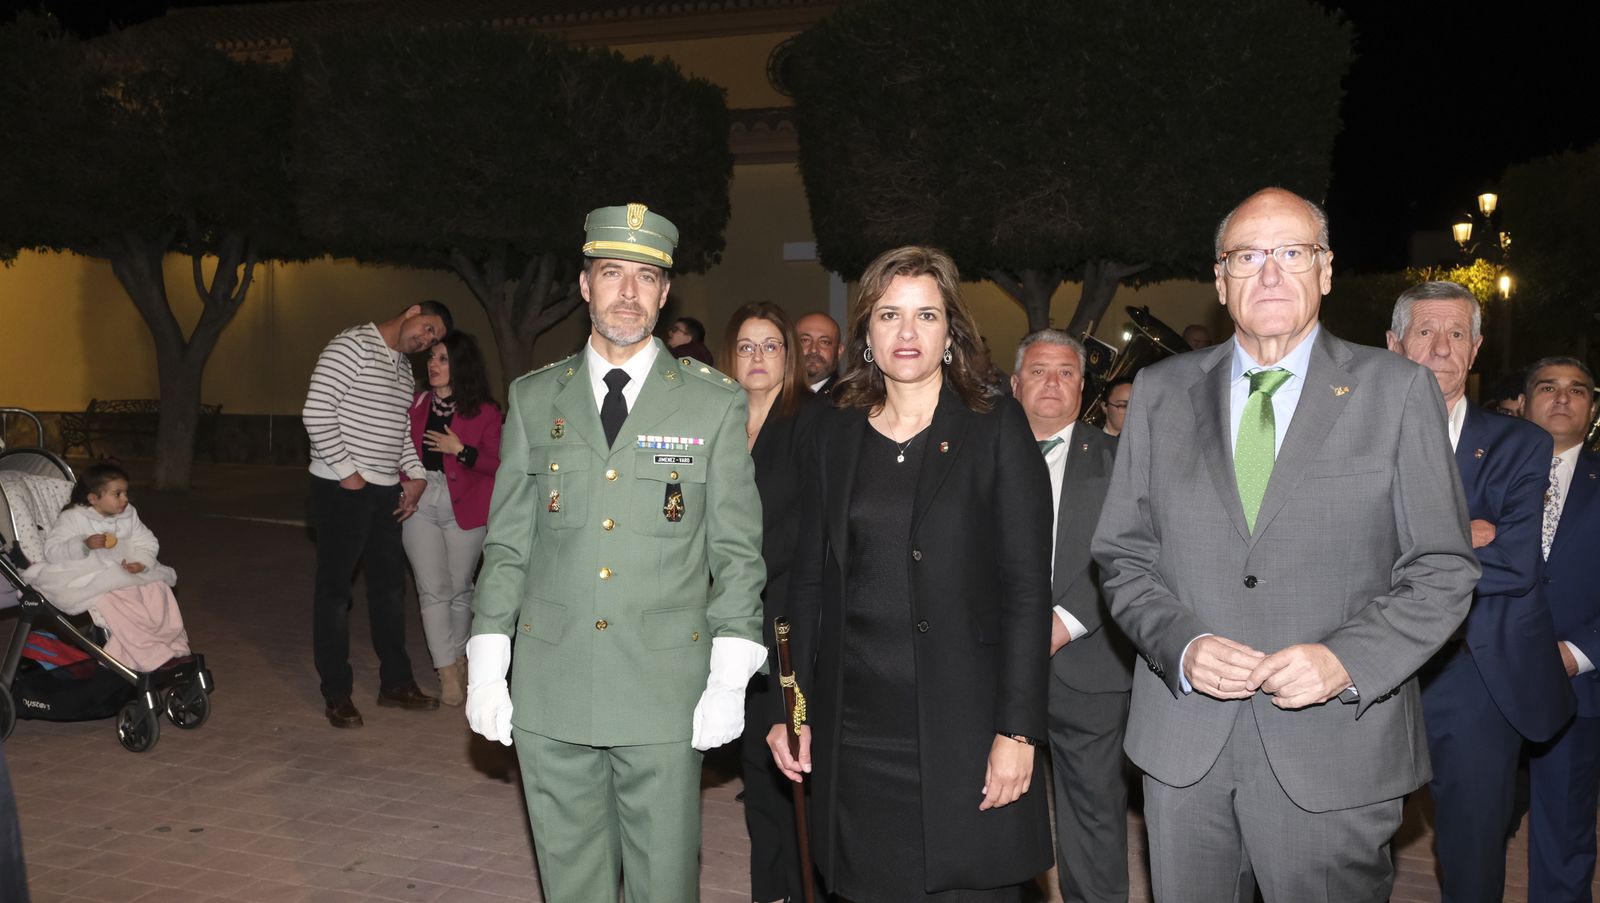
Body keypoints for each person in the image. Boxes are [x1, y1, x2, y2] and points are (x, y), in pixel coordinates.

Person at [1091, 187, 1479, 902]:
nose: (1269, 272)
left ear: (1325, 270)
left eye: (1291, 252)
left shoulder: (1395, 392)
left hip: (1333, 750)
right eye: (1247, 255)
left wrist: (1346, 660)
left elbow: (1443, 568)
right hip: (1185, 752)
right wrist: (1180, 643)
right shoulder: (1159, 392)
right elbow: (1122, 555)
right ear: (1220, 279)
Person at [465, 203, 766, 903]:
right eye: (611, 274)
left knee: (665, 883)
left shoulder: (712, 404)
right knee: (570, 884)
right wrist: (487, 659)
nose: (627, 293)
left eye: (644, 277)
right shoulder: (536, 397)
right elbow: (508, 541)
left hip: (665, 687)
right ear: (583, 284)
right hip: (553, 682)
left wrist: (729, 672)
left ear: (665, 294)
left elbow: (738, 550)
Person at [770, 245, 1053, 901]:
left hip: (967, 730)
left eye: (926, 315)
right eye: (890, 315)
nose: (907, 333)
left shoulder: (994, 426)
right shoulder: (831, 433)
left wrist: (1018, 730)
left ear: (950, 331)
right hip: (857, 735)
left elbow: (1026, 591)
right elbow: (806, 581)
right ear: (865, 331)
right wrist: (795, 707)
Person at [1385, 282, 1573, 901]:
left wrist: (1394, 546)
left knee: (1471, 857)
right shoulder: (1350, 436)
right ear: (1394, 344)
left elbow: (1517, 567)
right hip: (1367, 668)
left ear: (1477, 348)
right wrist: (1460, 536)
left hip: (1477, 679)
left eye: (1457, 334)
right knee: (1353, 846)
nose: (1441, 348)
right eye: (1424, 333)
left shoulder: (1523, 443)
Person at [1011, 330, 1132, 903]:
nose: (1052, 382)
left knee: (1094, 816)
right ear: (1015, 384)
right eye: (1038, 371)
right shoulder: (973, 454)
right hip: (996, 670)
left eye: (1065, 372)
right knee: (1001, 810)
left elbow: (1130, 556)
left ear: (1083, 387)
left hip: (1088, 667)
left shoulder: (1118, 460)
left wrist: (1064, 621)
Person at [303, 300, 451, 728]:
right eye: (426, 328)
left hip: (384, 491)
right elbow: (316, 411)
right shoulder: (351, 346)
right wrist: (348, 473)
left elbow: (400, 431)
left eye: (433, 340)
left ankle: (396, 683)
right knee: (335, 594)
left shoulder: (403, 368)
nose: (425, 340)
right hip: (339, 490)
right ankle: (336, 692)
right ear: (412, 310)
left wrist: (417, 475)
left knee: (389, 591)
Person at [722, 301, 823, 903]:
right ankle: (770, 892)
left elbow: (815, 528)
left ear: (788, 356)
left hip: (788, 622)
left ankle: (800, 889)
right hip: (728, 619)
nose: (758, 357)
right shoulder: (717, 420)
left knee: (790, 763)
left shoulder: (813, 420)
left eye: (770, 345)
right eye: (746, 347)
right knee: (755, 771)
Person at [1520, 356, 1600, 901]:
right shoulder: (1477, 476)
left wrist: (1579, 651)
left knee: (1565, 831)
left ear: (1592, 410)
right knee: (1471, 828)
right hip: (1479, 681)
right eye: (1547, 386)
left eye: (1578, 390)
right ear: (1524, 403)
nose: (1562, 397)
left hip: (1576, 683)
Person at [402, 332, 503, 707]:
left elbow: (498, 464)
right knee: (432, 590)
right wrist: (404, 485)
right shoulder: (414, 404)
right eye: (431, 358)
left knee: (460, 588)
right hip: (421, 499)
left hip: (468, 503)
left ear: (461, 364)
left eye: (443, 359)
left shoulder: (486, 411)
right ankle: (446, 671)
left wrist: (461, 450)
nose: (433, 365)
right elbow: (397, 449)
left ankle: (460, 659)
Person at [28, 463, 189, 672]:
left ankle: (170, 643)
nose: (125, 499)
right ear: (93, 498)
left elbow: (146, 542)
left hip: (125, 570)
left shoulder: (128, 514)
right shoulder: (73, 518)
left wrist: (140, 562)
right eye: (118, 494)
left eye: (125, 493)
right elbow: (52, 551)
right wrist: (83, 544)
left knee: (158, 589)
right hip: (89, 573)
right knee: (116, 598)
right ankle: (147, 651)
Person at [796, 311, 842, 395]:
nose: (813, 349)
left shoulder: (851, 402)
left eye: (824, 342)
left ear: (839, 351)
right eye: (805, 340)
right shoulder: (773, 396)